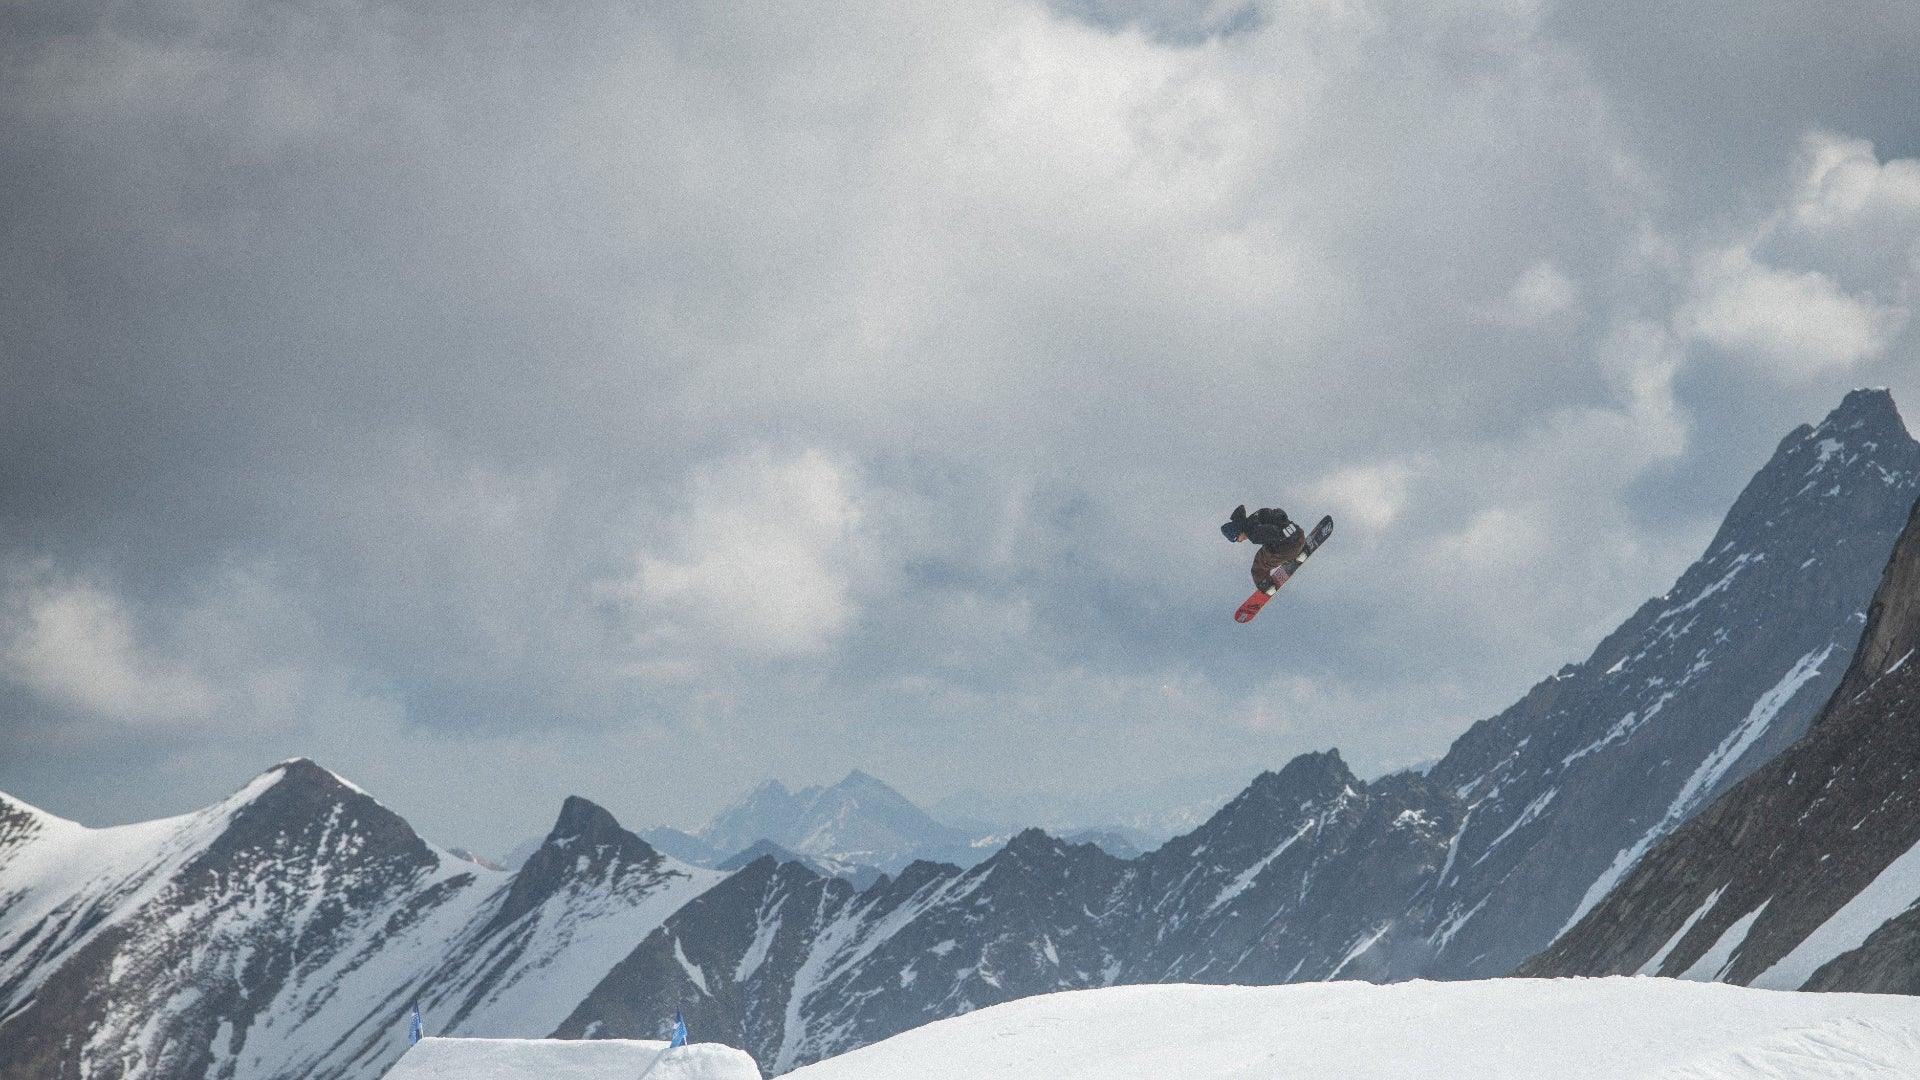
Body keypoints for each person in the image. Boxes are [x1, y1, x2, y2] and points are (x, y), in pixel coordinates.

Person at [1221, 505, 1306, 592]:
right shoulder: (1256, 516)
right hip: (1299, 535)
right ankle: (1300, 553)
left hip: (1291, 547)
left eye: (1235, 539)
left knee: (1258, 566)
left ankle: (1266, 585)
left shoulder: (1254, 534)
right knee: (1266, 549)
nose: (1239, 541)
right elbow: (1278, 513)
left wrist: (1282, 535)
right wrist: (1287, 528)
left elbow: (1272, 533)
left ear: (1238, 531)